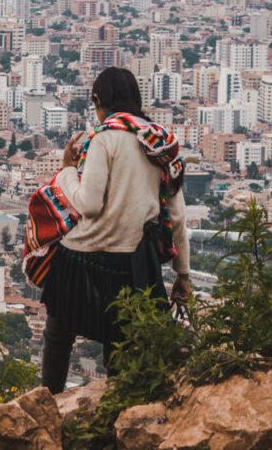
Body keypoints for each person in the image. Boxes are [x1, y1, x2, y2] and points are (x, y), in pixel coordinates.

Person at [40, 66, 190, 394]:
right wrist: (183, 274)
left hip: (83, 256)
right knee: (121, 340)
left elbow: (89, 205)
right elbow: (177, 216)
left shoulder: (102, 139)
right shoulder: (162, 143)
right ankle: (116, 409)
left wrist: (66, 171)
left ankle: (47, 403)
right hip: (135, 259)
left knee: (59, 332)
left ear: (98, 100)